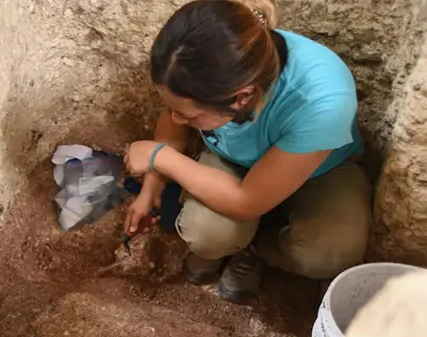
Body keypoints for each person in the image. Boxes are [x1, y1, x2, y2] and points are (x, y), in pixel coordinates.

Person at [123, 0, 372, 303]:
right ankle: (234, 243)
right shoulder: (204, 68)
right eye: (173, 109)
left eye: (188, 115)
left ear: (241, 97)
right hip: (235, 159)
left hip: (319, 171)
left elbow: (246, 201)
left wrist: (159, 156)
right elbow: (176, 114)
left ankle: (258, 249)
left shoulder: (322, 99)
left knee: (330, 252)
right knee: (208, 233)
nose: (176, 119)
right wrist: (152, 187)